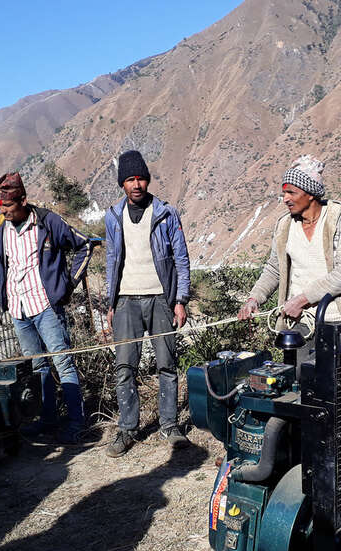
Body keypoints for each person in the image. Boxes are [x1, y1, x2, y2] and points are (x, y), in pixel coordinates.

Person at [0, 172, 92, 444]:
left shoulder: (47, 222)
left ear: (23, 200)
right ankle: (47, 420)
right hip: (19, 308)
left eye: (8, 206)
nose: (4, 211)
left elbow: (84, 245)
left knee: (63, 363)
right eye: (1, 207)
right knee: (38, 367)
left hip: (46, 306)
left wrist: (67, 284)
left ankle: (77, 423)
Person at [103, 150, 192, 458]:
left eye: (141, 178)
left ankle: (169, 426)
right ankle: (128, 429)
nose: (136, 184)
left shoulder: (166, 213)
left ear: (147, 180)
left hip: (160, 299)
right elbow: (111, 260)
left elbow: (181, 259)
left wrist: (180, 300)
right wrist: (110, 302)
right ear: (122, 184)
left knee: (167, 365)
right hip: (125, 300)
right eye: (130, 179)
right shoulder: (113, 217)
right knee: (125, 366)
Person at [237, 155, 341, 362]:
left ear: (310, 194)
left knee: (335, 387)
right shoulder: (285, 226)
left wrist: (302, 299)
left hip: (338, 321)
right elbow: (274, 269)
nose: (285, 199)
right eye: (284, 193)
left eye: (291, 192)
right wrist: (255, 298)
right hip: (300, 322)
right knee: (298, 383)